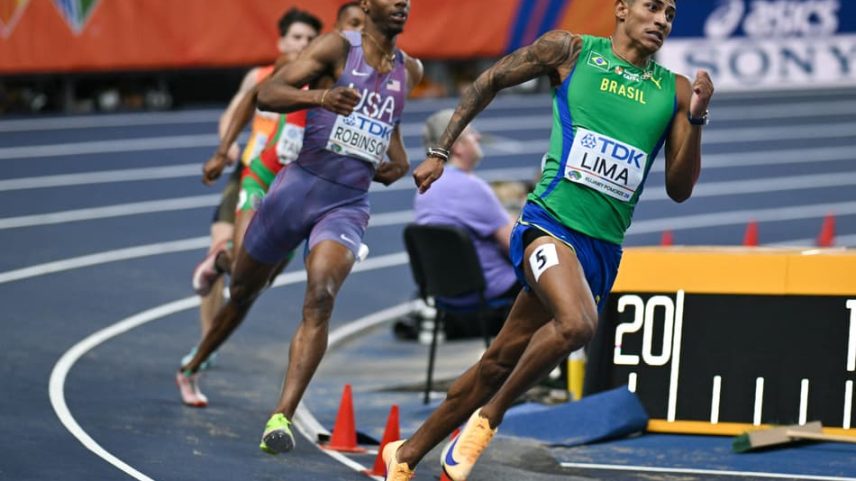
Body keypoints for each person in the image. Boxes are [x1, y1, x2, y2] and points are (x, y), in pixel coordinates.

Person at [382, 1, 713, 480]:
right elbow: (488, 80)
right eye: (652, 7)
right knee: (579, 325)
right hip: (548, 223)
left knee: (497, 361)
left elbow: (680, 190)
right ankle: (488, 419)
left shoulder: (676, 91)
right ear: (621, 9)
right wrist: (440, 150)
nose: (662, 19)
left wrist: (698, 118)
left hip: (601, 247)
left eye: (671, 13)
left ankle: (406, 454)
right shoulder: (571, 51)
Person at [177, 0, 423, 458]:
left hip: (347, 203)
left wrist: (400, 158)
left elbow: (391, 119)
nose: (404, 4)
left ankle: (281, 416)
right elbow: (266, 94)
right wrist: (321, 97)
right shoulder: (333, 49)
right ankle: (197, 348)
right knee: (245, 290)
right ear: (367, 6)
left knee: (322, 295)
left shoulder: (411, 69)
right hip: (295, 190)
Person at [186, 8, 323, 369]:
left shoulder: (322, 80)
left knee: (253, 280)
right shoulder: (261, 75)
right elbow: (233, 113)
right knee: (228, 254)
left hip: (289, 184)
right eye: (296, 37)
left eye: (310, 39)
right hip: (250, 173)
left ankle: (214, 323)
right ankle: (207, 343)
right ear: (281, 41)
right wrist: (226, 147)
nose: (303, 44)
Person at [412, 108, 519, 338]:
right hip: (488, 289)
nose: (478, 137)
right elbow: (515, 247)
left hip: (444, 292)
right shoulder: (473, 187)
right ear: (458, 146)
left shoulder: (423, 190)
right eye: (471, 133)